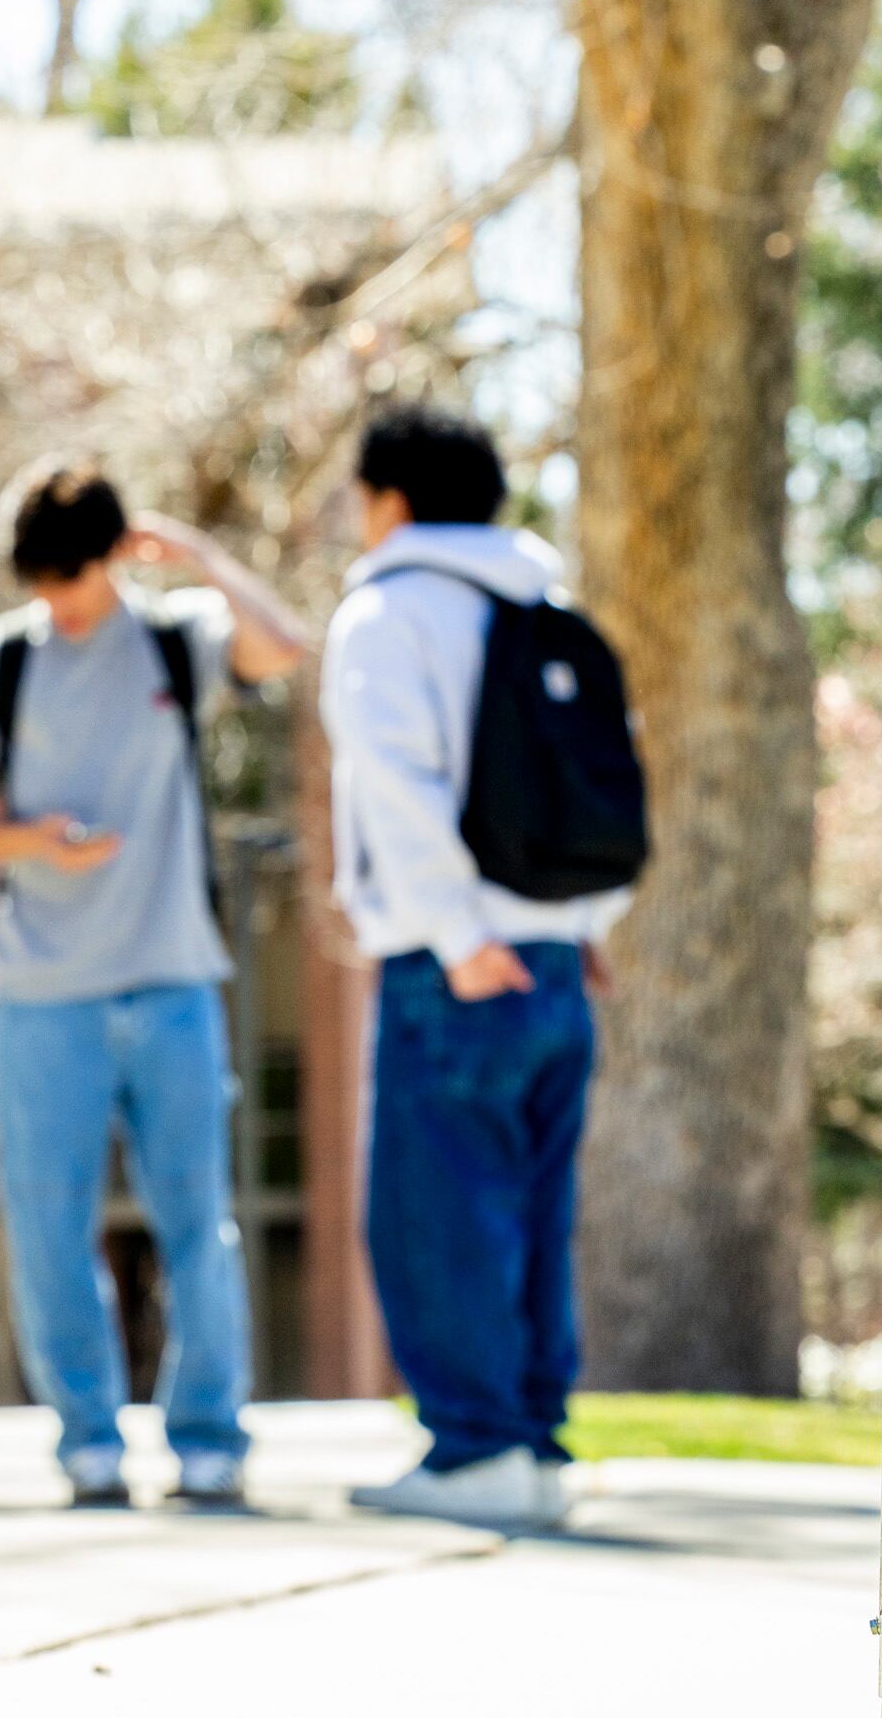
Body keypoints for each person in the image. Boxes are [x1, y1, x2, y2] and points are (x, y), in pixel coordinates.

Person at [0, 458, 308, 1507]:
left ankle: (208, 1434)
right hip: (41, 991)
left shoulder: (175, 640)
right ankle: (86, 1433)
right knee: (47, 1222)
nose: (57, 599)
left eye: (75, 577)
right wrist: (29, 842)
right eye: (39, 580)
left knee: (198, 1217)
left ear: (114, 557)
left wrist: (199, 555)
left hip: (173, 977)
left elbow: (280, 645)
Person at [323, 404, 629, 1529]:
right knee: (534, 1211)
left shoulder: (390, 612)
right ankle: (535, 1444)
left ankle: (471, 1448)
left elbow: (395, 784)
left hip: (450, 963)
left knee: (433, 1209)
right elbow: (604, 780)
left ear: (390, 500)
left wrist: (454, 939)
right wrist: (590, 921)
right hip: (557, 954)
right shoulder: (546, 606)